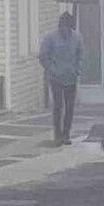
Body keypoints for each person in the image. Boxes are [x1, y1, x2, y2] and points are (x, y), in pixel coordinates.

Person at [39, 13, 83, 145]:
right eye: (62, 27)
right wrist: (51, 69)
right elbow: (43, 56)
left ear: (71, 27)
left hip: (71, 77)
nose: (65, 30)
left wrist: (77, 70)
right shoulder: (50, 38)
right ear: (59, 26)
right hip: (56, 78)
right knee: (58, 106)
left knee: (70, 107)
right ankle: (57, 134)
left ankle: (66, 134)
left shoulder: (77, 38)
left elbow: (80, 55)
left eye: (67, 27)